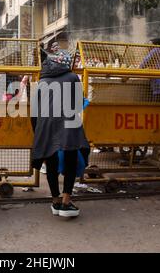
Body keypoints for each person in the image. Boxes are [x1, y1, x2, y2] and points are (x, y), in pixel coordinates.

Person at [31, 44, 90, 218]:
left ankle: (55, 201)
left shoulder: (41, 81)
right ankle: (66, 202)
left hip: (45, 125)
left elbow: (34, 111)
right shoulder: (72, 77)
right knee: (71, 160)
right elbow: (79, 103)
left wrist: (38, 132)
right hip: (68, 123)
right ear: (65, 63)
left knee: (51, 162)